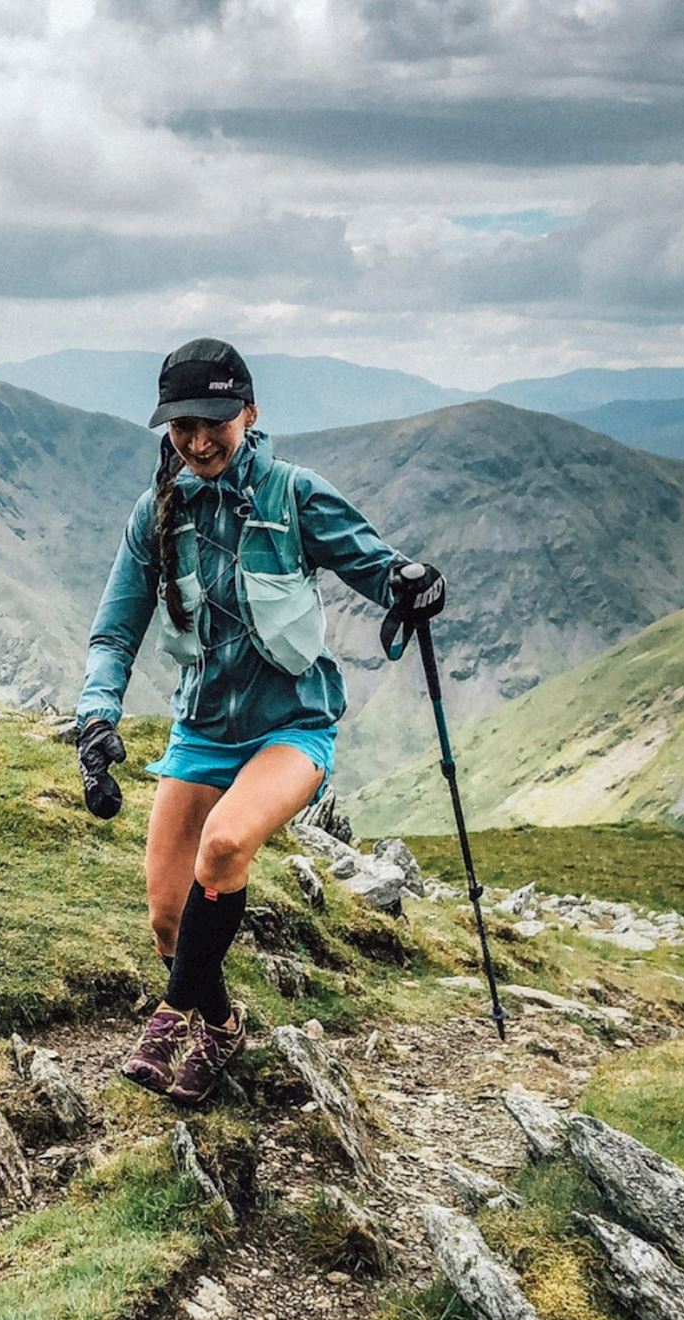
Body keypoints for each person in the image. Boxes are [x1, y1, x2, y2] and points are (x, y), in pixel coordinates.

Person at [74, 338, 443, 1105]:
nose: (201, 443)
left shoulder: (293, 494)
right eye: (183, 429)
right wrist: (96, 719)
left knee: (228, 842)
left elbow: (375, 565)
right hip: (201, 731)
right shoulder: (156, 516)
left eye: (215, 423)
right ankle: (220, 1026)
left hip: (292, 728)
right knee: (169, 920)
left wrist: (410, 583)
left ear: (249, 412)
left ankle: (172, 1018)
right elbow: (115, 632)